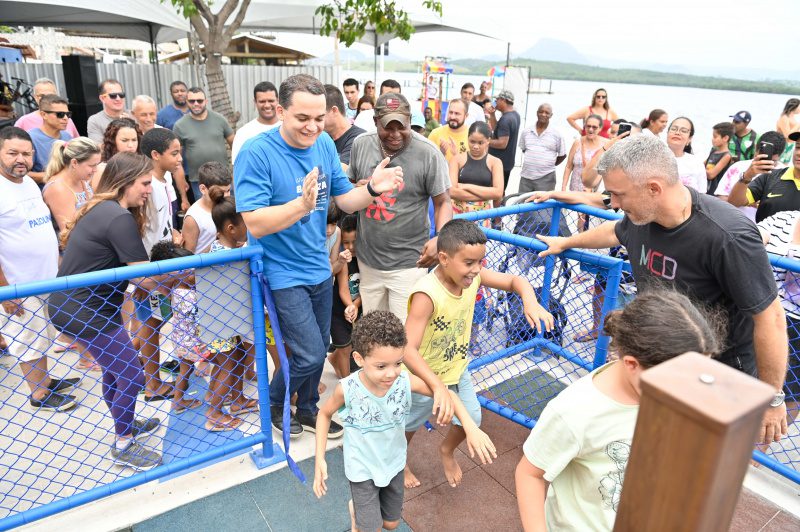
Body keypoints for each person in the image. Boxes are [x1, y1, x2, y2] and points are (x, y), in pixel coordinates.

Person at [537, 134, 790, 445]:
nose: (613, 204)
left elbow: (770, 318)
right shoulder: (641, 215)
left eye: (618, 195)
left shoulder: (728, 236)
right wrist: (566, 242)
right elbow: (616, 231)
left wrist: (772, 398)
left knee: (701, 456)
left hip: (719, 374)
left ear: (653, 188)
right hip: (661, 362)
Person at [234, 73, 404, 438]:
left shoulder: (324, 144)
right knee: (310, 354)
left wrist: (374, 188)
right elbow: (256, 222)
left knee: (319, 345)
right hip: (280, 271)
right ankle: (278, 403)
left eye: (318, 118)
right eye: (302, 118)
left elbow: (344, 199)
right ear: (280, 111)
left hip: (318, 268)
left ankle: (308, 408)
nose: (312, 127)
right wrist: (301, 205)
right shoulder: (256, 152)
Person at [515, 289, 721, 532]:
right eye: (679, 382)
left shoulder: (666, 394)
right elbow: (530, 475)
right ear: (632, 364)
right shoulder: (575, 412)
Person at [313, 310, 497, 532]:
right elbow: (323, 415)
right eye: (381, 366)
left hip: (394, 462)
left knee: (390, 523)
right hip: (361, 468)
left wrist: (469, 425)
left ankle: (360, 511)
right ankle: (361, 517)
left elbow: (446, 393)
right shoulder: (348, 389)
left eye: (398, 363)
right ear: (359, 359)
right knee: (371, 529)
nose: (391, 373)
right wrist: (320, 460)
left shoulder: (403, 380)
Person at [403, 219, 553, 489]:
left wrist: (530, 301)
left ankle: (446, 451)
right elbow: (407, 350)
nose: (476, 270)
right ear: (444, 258)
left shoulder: (474, 278)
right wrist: (436, 387)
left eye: (480, 262)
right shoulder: (427, 294)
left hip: (457, 369)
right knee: (407, 425)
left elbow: (515, 280)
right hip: (423, 375)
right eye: (469, 263)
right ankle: (400, 460)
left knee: (472, 418)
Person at [48, 152, 163, 470]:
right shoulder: (117, 217)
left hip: (87, 306)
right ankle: (124, 442)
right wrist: (181, 273)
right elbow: (143, 277)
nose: (148, 190)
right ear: (125, 182)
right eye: (144, 183)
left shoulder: (105, 209)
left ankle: (123, 427)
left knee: (117, 372)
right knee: (132, 374)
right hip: (84, 310)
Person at [348, 91, 453, 322]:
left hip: (409, 263)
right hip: (368, 261)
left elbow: (443, 201)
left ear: (410, 122)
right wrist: (362, 187)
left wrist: (441, 239)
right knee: (373, 333)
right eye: (388, 127)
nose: (395, 134)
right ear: (376, 122)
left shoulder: (428, 153)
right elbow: (349, 188)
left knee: (403, 337)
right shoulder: (361, 145)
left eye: (402, 126)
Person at [0, 127, 80, 412]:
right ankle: (39, 394)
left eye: (26, 153)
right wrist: (4, 289)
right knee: (27, 336)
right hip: (18, 285)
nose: (20, 159)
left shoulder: (28, 184)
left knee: (42, 334)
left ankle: (44, 381)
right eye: (12, 153)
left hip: (45, 277)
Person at [134, 128, 184, 401]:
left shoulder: (165, 182)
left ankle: (135, 365)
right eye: (174, 153)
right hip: (150, 270)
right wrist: (142, 275)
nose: (179, 158)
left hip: (163, 266)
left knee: (158, 319)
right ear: (155, 154)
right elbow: (139, 231)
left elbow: (162, 225)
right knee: (151, 324)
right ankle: (151, 383)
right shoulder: (146, 186)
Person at [205, 191, 260, 430]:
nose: (249, 229)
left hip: (229, 321)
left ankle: (237, 400)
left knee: (236, 359)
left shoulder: (220, 248)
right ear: (230, 228)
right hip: (220, 323)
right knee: (226, 366)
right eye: (245, 225)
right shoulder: (227, 257)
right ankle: (214, 412)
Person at [147, 241, 204, 415]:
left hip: (181, 339)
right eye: (191, 271)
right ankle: (214, 396)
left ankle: (178, 400)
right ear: (179, 274)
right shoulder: (186, 293)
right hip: (191, 340)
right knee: (220, 363)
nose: (196, 274)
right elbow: (194, 316)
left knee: (185, 372)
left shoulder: (175, 288)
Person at [758, 210, 800, 424]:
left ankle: (757, 452)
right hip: (759, 309)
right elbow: (747, 239)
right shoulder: (784, 218)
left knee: (791, 393)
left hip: (796, 326)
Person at [174, 86, 234, 201]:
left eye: (200, 100)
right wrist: (184, 197)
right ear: (187, 102)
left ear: (206, 101)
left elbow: (235, 145)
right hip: (199, 181)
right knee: (204, 215)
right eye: (192, 101)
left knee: (229, 210)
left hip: (224, 179)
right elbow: (177, 159)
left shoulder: (219, 119)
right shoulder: (180, 125)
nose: (196, 104)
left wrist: (234, 171)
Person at [728, 131, 798, 223]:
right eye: (798, 147)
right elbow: (734, 202)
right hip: (760, 236)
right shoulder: (770, 177)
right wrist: (747, 176)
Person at [42, 137, 100, 233]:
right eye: (91, 165)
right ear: (74, 163)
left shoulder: (81, 179)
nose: (96, 170)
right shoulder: (58, 189)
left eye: (96, 165)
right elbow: (69, 233)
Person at [449, 121, 504, 219]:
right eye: (472, 141)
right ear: (467, 138)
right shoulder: (457, 160)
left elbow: (498, 193)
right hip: (458, 215)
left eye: (480, 143)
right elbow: (451, 192)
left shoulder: (495, 162)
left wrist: (466, 186)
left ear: (488, 141)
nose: (475, 146)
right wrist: (487, 195)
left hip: (482, 216)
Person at [328, 214, 361, 378]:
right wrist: (350, 305)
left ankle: (334, 359)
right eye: (346, 242)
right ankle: (347, 383)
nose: (350, 246)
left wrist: (356, 305)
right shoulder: (344, 260)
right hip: (339, 308)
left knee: (354, 344)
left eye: (354, 241)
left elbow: (367, 287)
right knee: (345, 348)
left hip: (357, 307)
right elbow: (343, 289)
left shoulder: (366, 259)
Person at [182, 161, 231, 253]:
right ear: (203, 189)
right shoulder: (193, 218)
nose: (226, 196)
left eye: (228, 190)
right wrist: (219, 243)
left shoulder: (227, 206)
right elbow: (187, 260)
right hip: (204, 267)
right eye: (221, 192)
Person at [518, 103, 567, 193]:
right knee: (522, 204)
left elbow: (562, 155)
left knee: (544, 206)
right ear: (537, 113)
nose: (543, 114)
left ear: (551, 115)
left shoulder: (556, 134)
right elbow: (524, 149)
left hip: (546, 178)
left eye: (547, 113)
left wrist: (549, 164)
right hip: (526, 177)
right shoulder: (526, 131)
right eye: (541, 112)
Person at [28, 94, 72, 184]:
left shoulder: (67, 136)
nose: (66, 118)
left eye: (68, 114)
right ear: (43, 115)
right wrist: (58, 176)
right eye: (60, 114)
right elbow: (22, 173)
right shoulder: (30, 138)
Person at [231, 81, 280, 162]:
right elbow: (237, 167)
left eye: (271, 101)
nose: (267, 105)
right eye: (262, 101)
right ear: (255, 102)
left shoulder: (288, 127)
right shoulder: (244, 133)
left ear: (277, 100)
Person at [14, 78, 79, 138]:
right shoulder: (23, 122)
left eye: (50, 95)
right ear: (35, 97)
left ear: (56, 95)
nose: (46, 98)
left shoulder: (66, 119)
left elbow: (76, 145)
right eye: (41, 96)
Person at [92, 118, 142, 190]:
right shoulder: (103, 169)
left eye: (134, 140)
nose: (130, 145)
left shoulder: (143, 166)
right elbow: (99, 199)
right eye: (124, 140)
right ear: (113, 142)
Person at [323, 84, 366, 168]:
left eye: (320, 115)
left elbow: (340, 173)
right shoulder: (321, 137)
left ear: (334, 111)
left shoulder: (359, 138)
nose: (313, 121)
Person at [562, 114, 607, 193]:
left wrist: (591, 186)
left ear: (600, 128)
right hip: (574, 189)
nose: (590, 129)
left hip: (593, 191)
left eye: (594, 127)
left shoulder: (606, 144)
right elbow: (568, 166)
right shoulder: (577, 143)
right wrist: (563, 188)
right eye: (588, 126)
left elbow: (604, 170)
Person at [486, 90, 521, 191]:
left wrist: (485, 141)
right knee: (501, 190)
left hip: (499, 164)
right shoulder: (515, 115)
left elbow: (502, 143)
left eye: (497, 100)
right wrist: (492, 114)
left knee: (495, 191)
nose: (495, 102)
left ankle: (497, 206)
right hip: (507, 163)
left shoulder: (506, 119)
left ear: (503, 100)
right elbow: (497, 129)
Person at [666, 116, 707, 192]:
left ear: (689, 138)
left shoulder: (696, 163)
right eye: (674, 129)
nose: (677, 133)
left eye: (684, 131)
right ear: (667, 133)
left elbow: (702, 194)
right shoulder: (653, 158)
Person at [87, 79, 128, 144]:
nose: (118, 98)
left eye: (121, 94)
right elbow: (98, 149)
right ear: (102, 98)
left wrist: (133, 125)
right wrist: (119, 128)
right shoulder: (95, 120)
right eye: (113, 95)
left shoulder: (133, 115)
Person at [428, 98, 469, 162]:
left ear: (466, 116)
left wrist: (456, 155)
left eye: (457, 113)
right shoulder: (435, 133)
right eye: (450, 112)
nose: (452, 117)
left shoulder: (472, 136)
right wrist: (441, 153)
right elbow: (428, 161)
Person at [704, 122, 733, 195]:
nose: (712, 139)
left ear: (725, 138)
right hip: (705, 188)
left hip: (714, 193)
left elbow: (711, 175)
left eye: (715, 136)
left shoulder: (726, 156)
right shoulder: (713, 151)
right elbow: (702, 164)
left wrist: (700, 169)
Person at [777, 98, 800, 165]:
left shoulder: (792, 118)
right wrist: (798, 125)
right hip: (784, 146)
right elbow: (787, 135)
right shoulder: (784, 118)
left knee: (785, 166)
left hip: (790, 146)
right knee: (780, 165)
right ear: (794, 106)